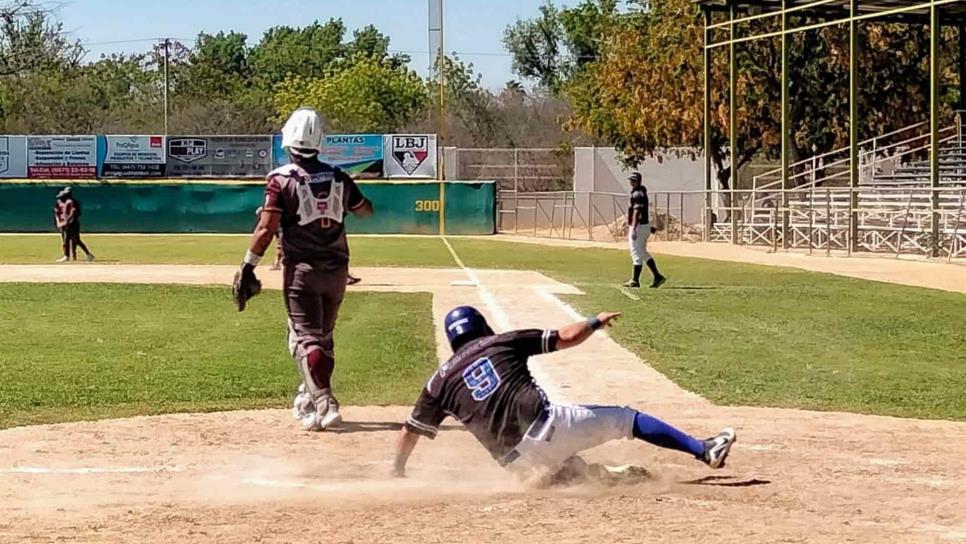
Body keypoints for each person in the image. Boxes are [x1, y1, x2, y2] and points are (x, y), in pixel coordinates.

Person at [391, 306, 736, 483]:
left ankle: (602, 477)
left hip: (517, 465)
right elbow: (568, 337)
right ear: (481, 327)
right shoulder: (500, 341)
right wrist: (595, 321)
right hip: (550, 427)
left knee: (568, 470)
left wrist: (398, 470)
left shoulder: (438, 381)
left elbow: (409, 430)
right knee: (626, 419)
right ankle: (704, 450)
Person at [233, 107, 373, 432]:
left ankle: (325, 401)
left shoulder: (280, 179)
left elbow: (265, 229)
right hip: (337, 272)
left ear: (288, 139)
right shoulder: (339, 176)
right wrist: (338, 205)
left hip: (302, 273)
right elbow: (365, 210)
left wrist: (247, 265)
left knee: (303, 339)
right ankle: (309, 399)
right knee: (323, 339)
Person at [624, 172, 665, 288]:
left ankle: (635, 280)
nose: (631, 182)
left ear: (637, 181)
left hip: (639, 226)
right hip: (643, 226)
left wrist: (634, 228)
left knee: (636, 252)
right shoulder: (641, 192)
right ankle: (657, 276)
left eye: (633, 180)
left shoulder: (637, 194)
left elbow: (637, 211)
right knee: (642, 253)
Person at [53, 187, 94, 263]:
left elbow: (74, 213)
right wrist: (59, 222)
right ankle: (66, 256)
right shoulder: (59, 202)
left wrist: (68, 222)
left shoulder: (71, 202)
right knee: (65, 240)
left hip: (73, 224)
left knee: (76, 240)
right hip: (63, 224)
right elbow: (56, 213)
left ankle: (88, 254)